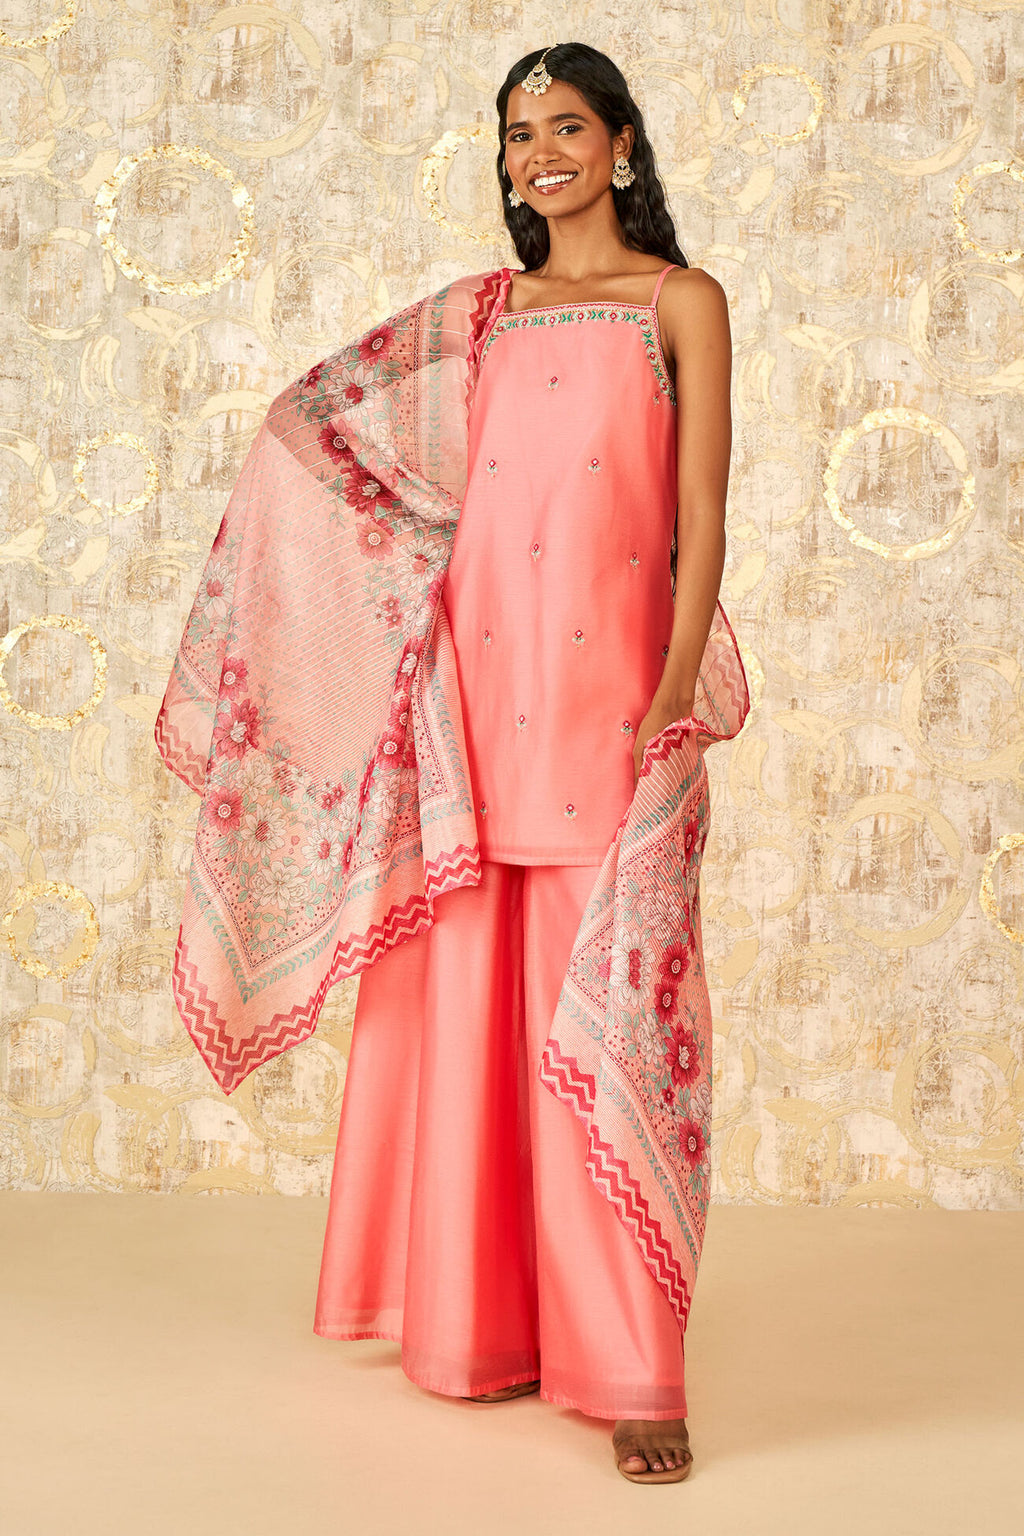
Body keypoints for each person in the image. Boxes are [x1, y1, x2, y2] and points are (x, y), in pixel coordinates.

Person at [310, 43, 738, 1485]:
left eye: (565, 127)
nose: (537, 152)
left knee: (610, 1031)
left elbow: (698, 522)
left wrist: (668, 701)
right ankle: (481, 1333)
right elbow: (326, 434)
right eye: (515, 134)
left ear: (622, 144)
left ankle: (635, 1373)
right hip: (474, 715)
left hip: (608, 712)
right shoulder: (486, 315)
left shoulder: (679, 306)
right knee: (477, 1021)